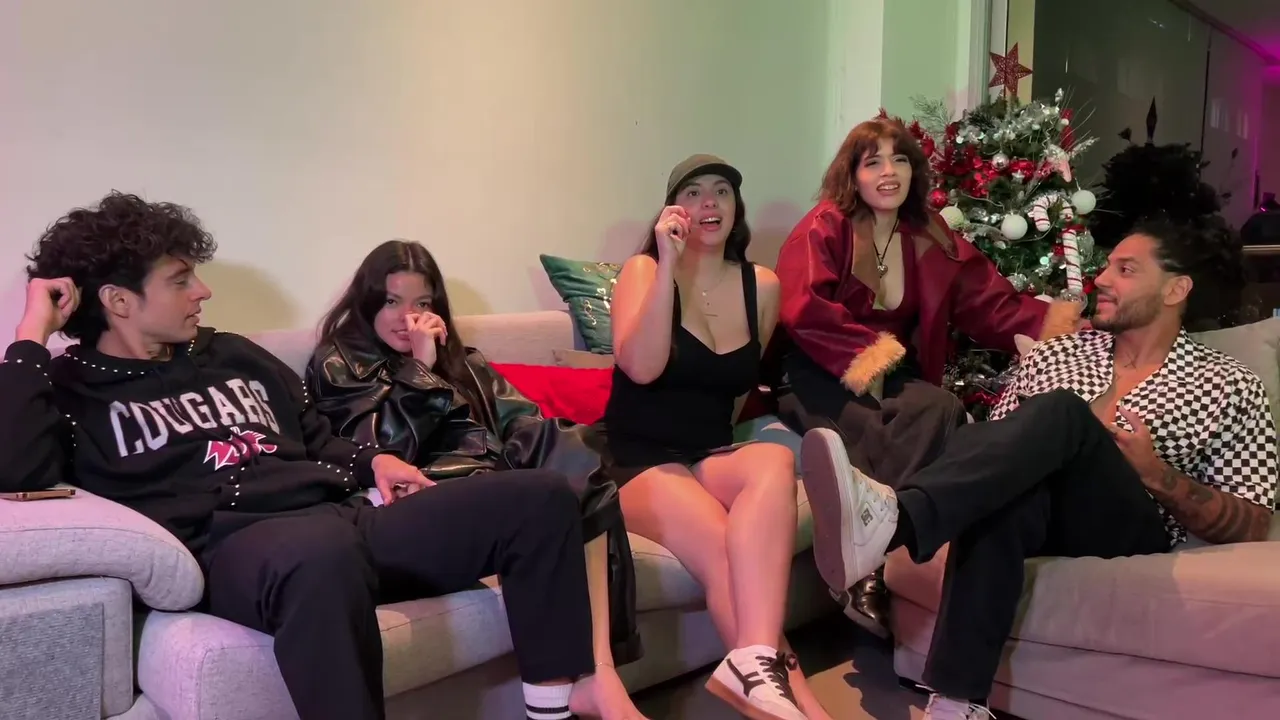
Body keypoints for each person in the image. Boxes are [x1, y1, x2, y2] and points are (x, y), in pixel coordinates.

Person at [0, 192, 608, 720]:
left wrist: (373, 463)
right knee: (320, 550)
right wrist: (30, 336)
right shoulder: (71, 390)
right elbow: (17, 471)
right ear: (118, 300)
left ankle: (553, 708)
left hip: (343, 520)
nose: (203, 291)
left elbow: (317, 438)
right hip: (235, 548)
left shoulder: (233, 354)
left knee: (538, 498)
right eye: (180, 280)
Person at [797, 218, 1277, 720]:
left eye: (1126, 270)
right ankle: (958, 702)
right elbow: (988, 453)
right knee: (1005, 498)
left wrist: (1157, 474)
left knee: (1063, 410)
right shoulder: (1056, 354)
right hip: (1044, 517)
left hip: (1130, 526)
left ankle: (896, 522)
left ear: (1176, 289)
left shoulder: (1228, 384)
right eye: (1107, 266)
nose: (1101, 280)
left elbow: (1251, 522)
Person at [306, 239, 645, 720]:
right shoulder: (338, 364)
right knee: (550, 490)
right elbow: (381, 453)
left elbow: (521, 419)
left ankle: (599, 670)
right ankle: (593, 679)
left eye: (422, 303)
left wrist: (554, 448)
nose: (408, 318)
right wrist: (419, 368)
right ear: (368, 302)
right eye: (392, 301)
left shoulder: (465, 361)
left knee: (575, 457)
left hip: (495, 484)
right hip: (427, 499)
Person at [773, 116, 1082, 637]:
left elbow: (987, 302)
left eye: (899, 160)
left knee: (939, 408)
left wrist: (1051, 323)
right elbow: (802, 308)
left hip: (895, 371)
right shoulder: (823, 226)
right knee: (884, 423)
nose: (888, 172)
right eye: (873, 162)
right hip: (817, 367)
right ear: (852, 174)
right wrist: (866, 354)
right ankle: (865, 574)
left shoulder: (930, 233)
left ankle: (897, 549)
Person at [595, 154, 830, 720]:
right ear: (672, 210)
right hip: (637, 457)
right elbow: (642, 368)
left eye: (721, 191)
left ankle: (754, 667)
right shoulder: (643, 271)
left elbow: (736, 390)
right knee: (727, 547)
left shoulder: (761, 286)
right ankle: (801, 708)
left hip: (707, 450)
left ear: (735, 206)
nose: (709, 203)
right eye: (693, 192)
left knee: (774, 461)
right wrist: (668, 265)